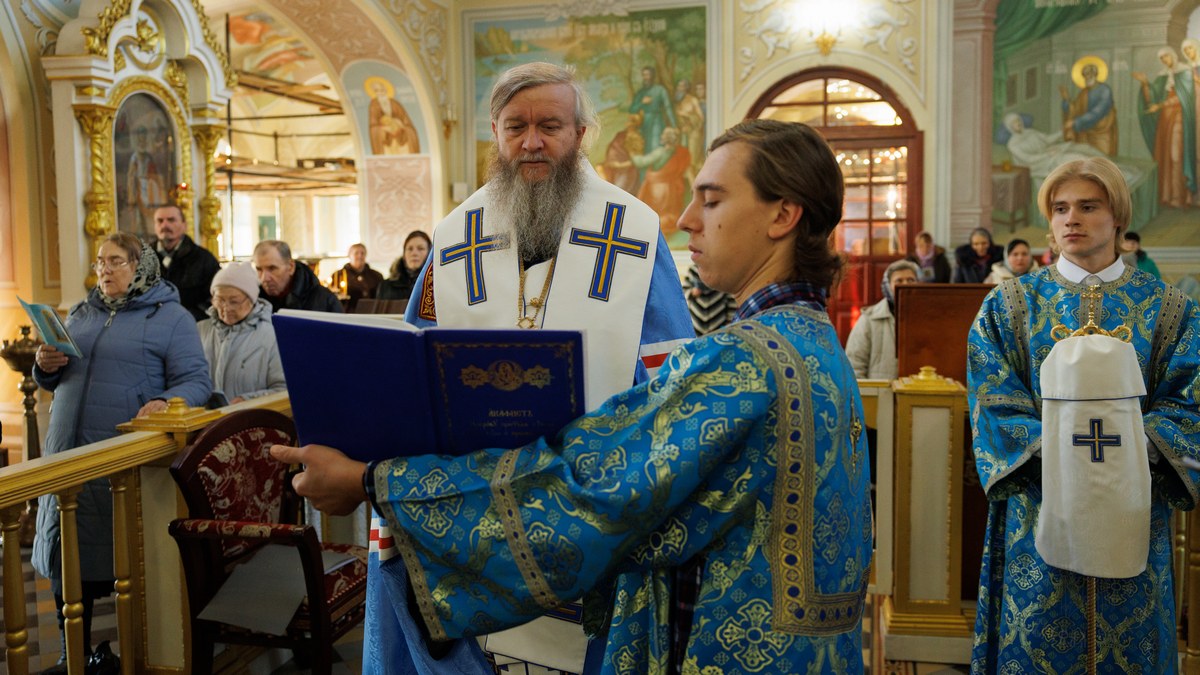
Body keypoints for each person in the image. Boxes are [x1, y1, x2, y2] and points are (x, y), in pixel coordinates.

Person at [273, 118, 873, 675]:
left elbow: (583, 488)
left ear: (782, 216)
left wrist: (370, 483)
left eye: (712, 199)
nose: (688, 218)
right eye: (516, 124)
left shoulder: (744, 361)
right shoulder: (815, 341)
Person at [384, 61, 694, 674]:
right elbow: (412, 363)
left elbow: (669, 375)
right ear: (495, 136)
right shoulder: (454, 237)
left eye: (550, 125)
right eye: (515, 126)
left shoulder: (632, 230)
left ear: (581, 134)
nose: (532, 141)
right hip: (479, 496)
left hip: (593, 497)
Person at [969, 156, 1200, 673]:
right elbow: (993, 397)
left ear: (1116, 216)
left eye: (1088, 206)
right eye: (1059, 208)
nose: (1071, 218)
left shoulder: (1168, 308)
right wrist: (1062, 451)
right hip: (1039, 508)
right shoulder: (1010, 306)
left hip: (1135, 509)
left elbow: (1191, 402)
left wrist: (1130, 446)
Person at [32, 232, 211, 672]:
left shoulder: (172, 318)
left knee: (118, 558)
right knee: (64, 556)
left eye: (115, 261)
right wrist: (44, 366)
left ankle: (131, 652)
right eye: (99, 262)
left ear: (141, 265)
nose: (104, 271)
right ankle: (70, 652)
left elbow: (197, 382)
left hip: (119, 460)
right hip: (66, 454)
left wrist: (166, 401)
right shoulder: (81, 311)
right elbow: (57, 378)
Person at [198, 261, 286, 404]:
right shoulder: (200, 330)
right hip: (204, 421)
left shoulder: (273, 336)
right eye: (219, 300)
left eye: (234, 301)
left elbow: (283, 390)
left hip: (252, 422)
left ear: (251, 300)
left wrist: (247, 401)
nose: (225, 308)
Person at [1134, 47, 1197, 207]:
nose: (1165, 61)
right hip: (1165, 120)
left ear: (1173, 56)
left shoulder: (1185, 72)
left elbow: (1184, 97)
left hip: (1179, 119)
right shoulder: (1162, 76)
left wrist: (1161, 104)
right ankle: (1168, 196)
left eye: (1166, 57)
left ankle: (1180, 196)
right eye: (1162, 59)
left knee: (1177, 156)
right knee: (1165, 156)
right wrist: (1145, 84)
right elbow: (1152, 98)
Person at [845, 258, 918, 379]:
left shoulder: (929, 319)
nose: (906, 285)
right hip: (881, 395)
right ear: (888, 286)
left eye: (911, 280)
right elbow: (854, 364)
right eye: (899, 280)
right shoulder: (869, 319)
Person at [154, 204, 220, 321]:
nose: (165, 225)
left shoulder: (204, 259)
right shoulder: (142, 259)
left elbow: (215, 297)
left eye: (171, 220)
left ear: (184, 225)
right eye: (160, 221)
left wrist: (188, 316)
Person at [252, 239, 342, 313]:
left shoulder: (325, 301)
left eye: (272, 269)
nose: (264, 278)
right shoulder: (252, 300)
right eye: (259, 269)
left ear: (291, 267)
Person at [1060, 61, 1117, 156]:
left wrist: (1075, 122)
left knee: (1102, 160)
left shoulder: (1105, 90)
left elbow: (1098, 112)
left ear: (1095, 75)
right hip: (1085, 132)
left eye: (1089, 75)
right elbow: (1074, 109)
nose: (1087, 78)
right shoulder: (1083, 93)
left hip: (1101, 132)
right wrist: (1066, 99)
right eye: (1085, 75)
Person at [629, 66, 675, 155]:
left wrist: (673, 125)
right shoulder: (640, 92)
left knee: (656, 144)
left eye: (648, 75)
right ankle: (646, 168)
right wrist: (642, 103)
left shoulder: (660, 90)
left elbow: (668, 107)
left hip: (657, 120)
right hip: (644, 123)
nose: (646, 77)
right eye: (644, 75)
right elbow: (632, 110)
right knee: (645, 147)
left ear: (652, 76)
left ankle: (657, 168)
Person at [367, 76, 419, 155]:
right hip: (386, 139)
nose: (380, 92)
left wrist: (400, 125)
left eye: (382, 90)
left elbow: (406, 122)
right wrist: (383, 129)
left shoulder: (395, 104)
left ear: (386, 89)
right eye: (377, 91)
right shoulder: (374, 105)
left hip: (401, 138)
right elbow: (373, 125)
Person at [680, 261, 736, 335]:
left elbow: (731, 298)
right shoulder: (693, 270)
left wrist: (730, 320)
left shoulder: (722, 271)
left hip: (718, 322)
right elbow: (683, 291)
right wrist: (692, 292)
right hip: (696, 323)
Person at [377, 231, 431, 303]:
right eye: (410, 249)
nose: (414, 253)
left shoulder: (436, 285)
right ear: (404, 254)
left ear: (429, 253)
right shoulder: (385, 286)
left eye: (420, 248)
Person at [330, 243, 384, 311]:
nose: (360, 256)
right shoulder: (338, 276)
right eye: (356, 253)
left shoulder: (377, 276)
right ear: (350, 256)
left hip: (372, 313)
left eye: (362, 253)